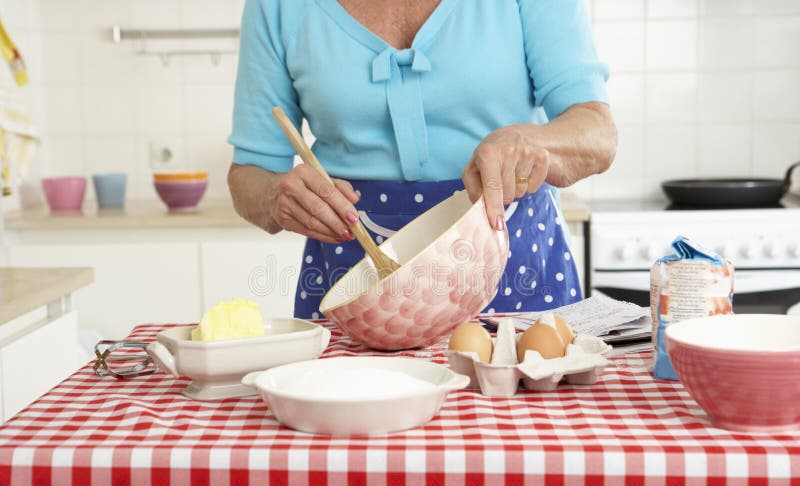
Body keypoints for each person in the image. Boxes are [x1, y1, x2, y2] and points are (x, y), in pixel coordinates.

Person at [228, 0, 617, 319]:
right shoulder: (276, 6)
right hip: (356, 292)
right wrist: (277, 196)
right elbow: (250, 173)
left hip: (520, 277)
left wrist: (531, 143)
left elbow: (598, 133)